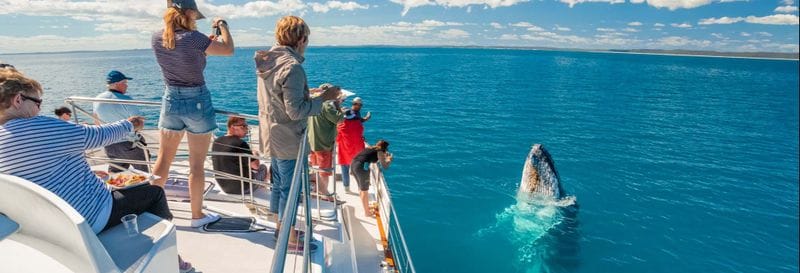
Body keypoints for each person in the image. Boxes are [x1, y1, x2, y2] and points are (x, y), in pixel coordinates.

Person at [0, 68, 198, 271]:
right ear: (18, 100)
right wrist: (131, 125)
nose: (39, 109)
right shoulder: (39, 126)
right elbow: (99, 136)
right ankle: (171, 256)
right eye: (37, 103)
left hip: (50, 230)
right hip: (93, 216)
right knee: (154, 193)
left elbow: (40, 171)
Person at [255, 15, 340, 252]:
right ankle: (290, 239)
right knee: (290, 190)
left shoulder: (268, 60)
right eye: (307, 39)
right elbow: (296, 112)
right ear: (301, 39)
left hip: (271, 134)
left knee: (279, 185)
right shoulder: (293, 67)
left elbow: (278, 97)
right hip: (288, 140)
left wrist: (307, 92)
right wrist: (325, 98)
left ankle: (281, 228)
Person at [150, 0, 234, 228]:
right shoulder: (194, 38)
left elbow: (181, 56)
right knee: (196, 165)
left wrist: (203, 47)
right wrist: (223, 25)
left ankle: (151, 212)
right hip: (196, 100)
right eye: (195, 16)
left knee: (163, 160)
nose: (195, 20)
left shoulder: (157, 37)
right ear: (188, 13)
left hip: (170, 100)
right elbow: (228, 49)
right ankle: (197, 216)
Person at [93, 70, 149, 173]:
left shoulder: (97, 99)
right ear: (117, 84)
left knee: (116, 173)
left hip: (109, 143)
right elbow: (140, 124)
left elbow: (97, 122)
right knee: (144, 172)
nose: (127, 86)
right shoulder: (126, 99)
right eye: (125, 83)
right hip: (129, 144)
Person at [211, 116, 268, 195]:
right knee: (263, 168)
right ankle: (261, 188)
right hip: (243, 189)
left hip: (224, 187)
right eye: (243, 126)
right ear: (232, 127)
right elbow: (256, 166)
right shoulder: (240, 143)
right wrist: (255, 154)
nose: (246, 129)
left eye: (246, 126)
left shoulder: (217, 141)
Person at [308, 83, 343, 200]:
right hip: (323, 144)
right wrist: (338, 106)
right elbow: (340, 119)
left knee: (315, 169)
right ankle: (324, 195)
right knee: (324, 172)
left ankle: (317, 191)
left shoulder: (313, 102)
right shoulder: (327, 105)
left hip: (312, 142)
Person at [350, 140, 393, 217]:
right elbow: (385, 166)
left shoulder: (370, 148)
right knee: (364, 191)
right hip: (361, 168)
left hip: (353, 164)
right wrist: (389, 160)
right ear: (384, 148)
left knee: (361, 188)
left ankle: (365, 207)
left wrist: (383, 157)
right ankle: (367, 212)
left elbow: (371, 158)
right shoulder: (380, 152)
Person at [335, 101, 367, 192]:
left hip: (345, 151)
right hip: (358, 151)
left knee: (345, 169)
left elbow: (337, 139)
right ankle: (361, 188)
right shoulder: (358, 125)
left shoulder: (340, 126)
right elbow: (360, 134)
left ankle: (347, 188)